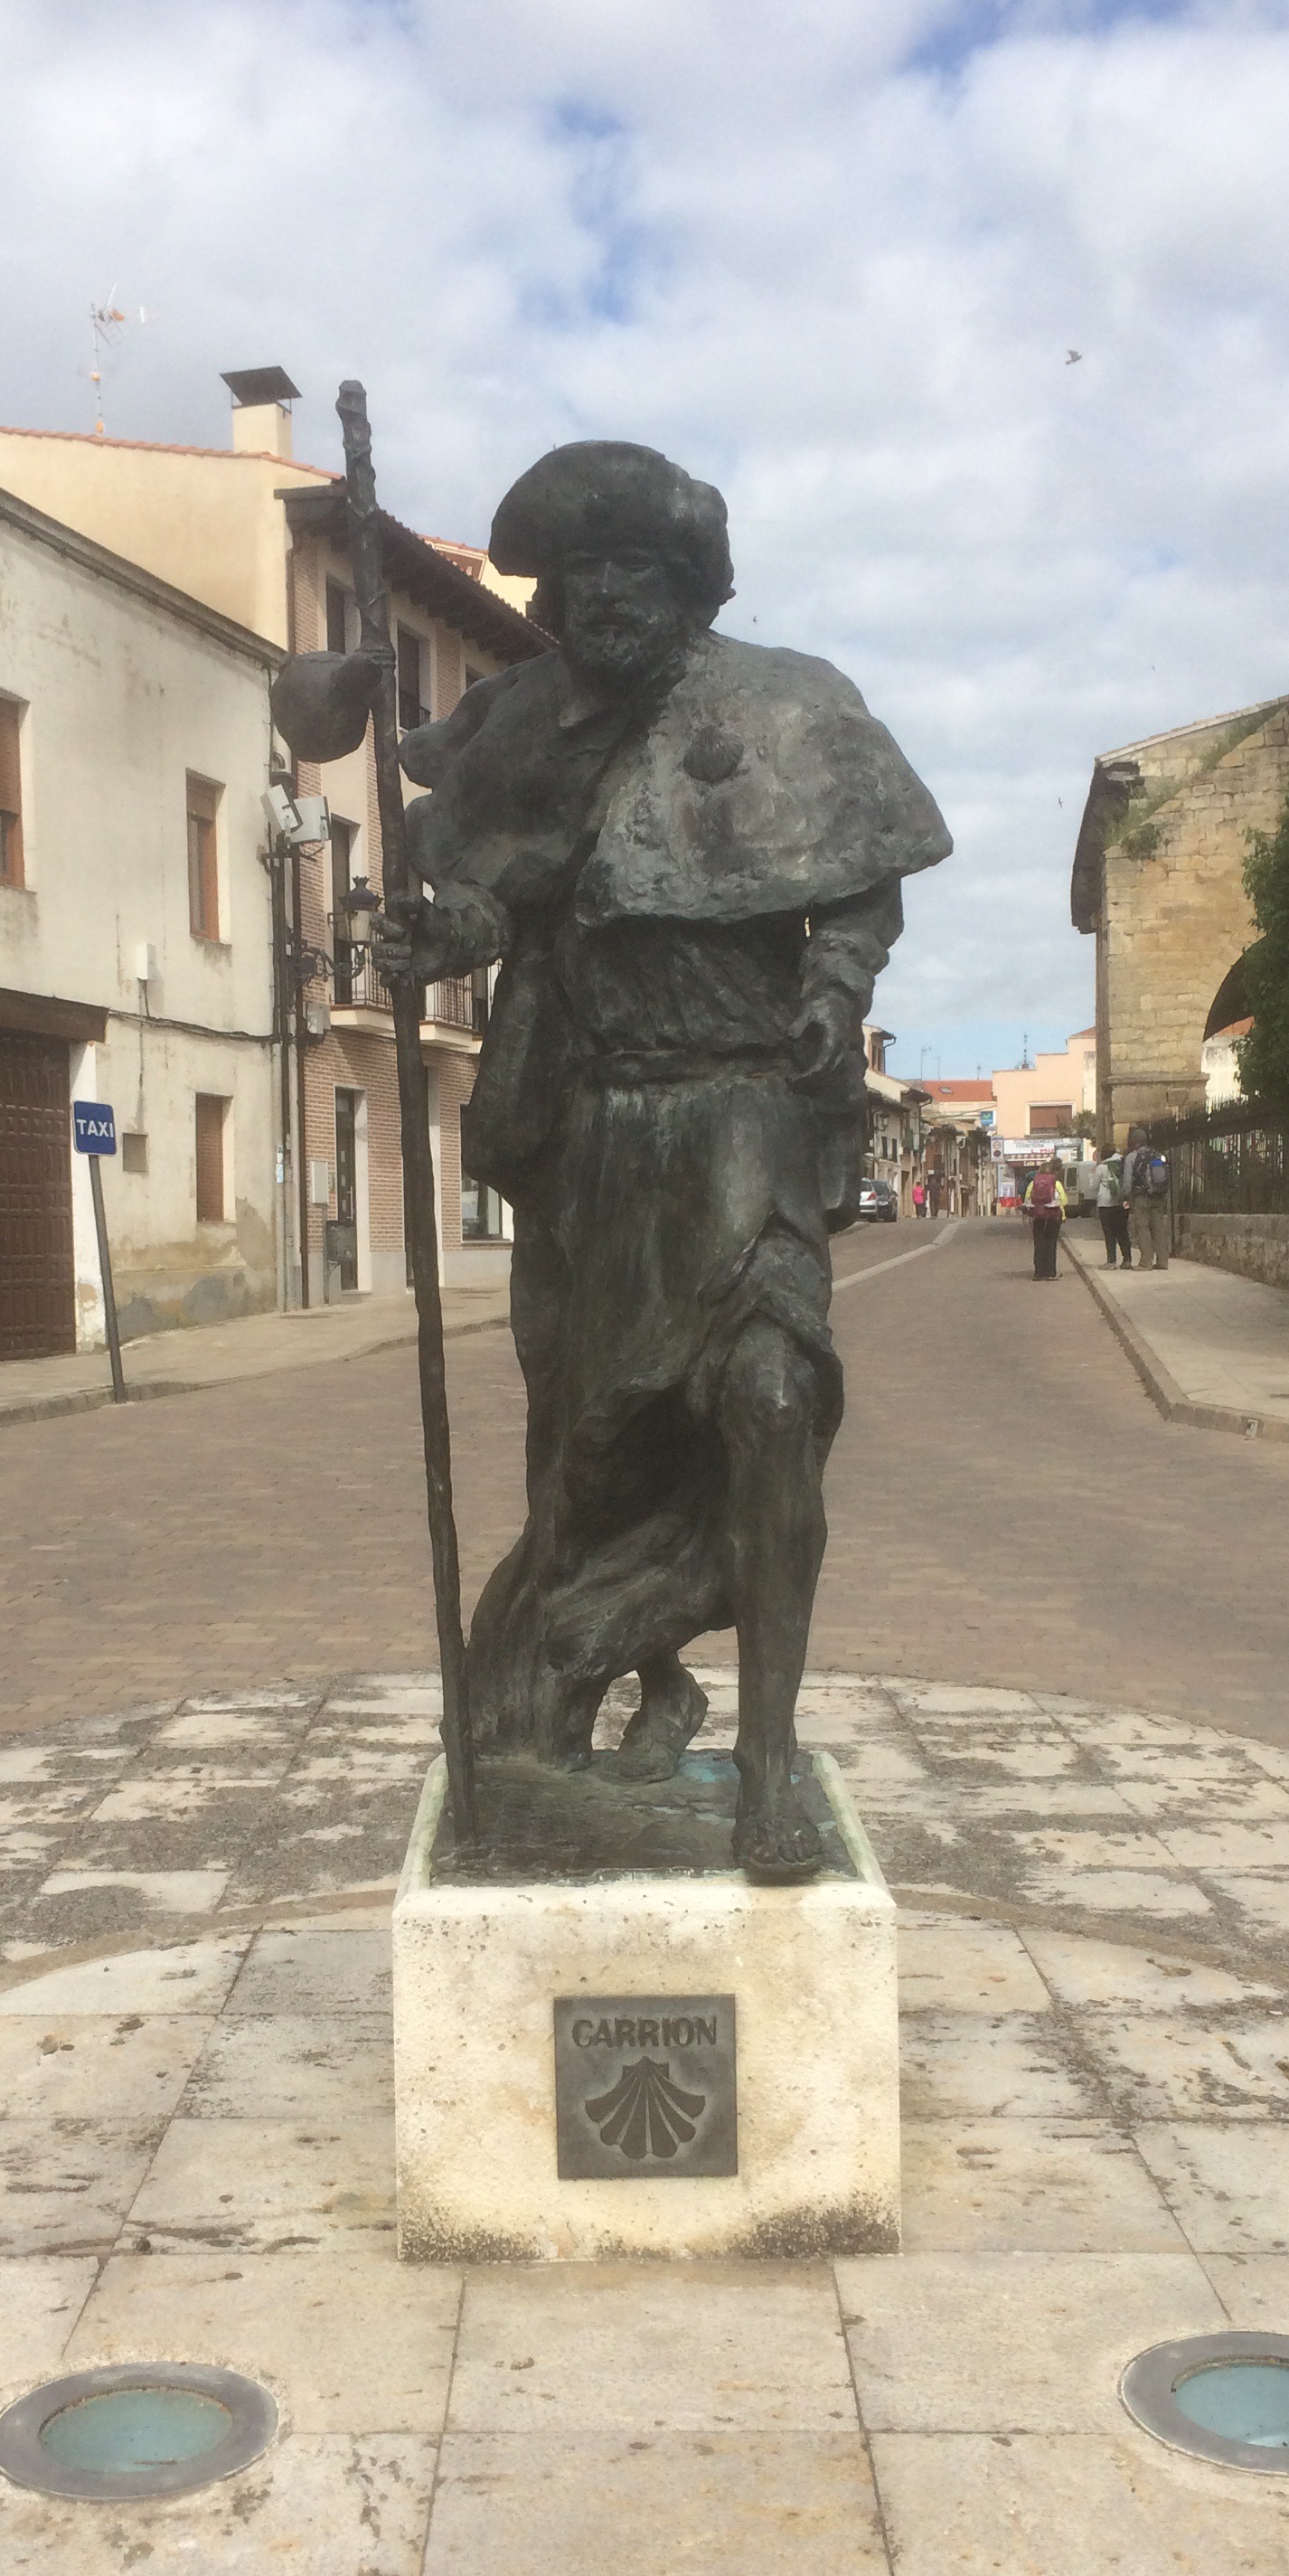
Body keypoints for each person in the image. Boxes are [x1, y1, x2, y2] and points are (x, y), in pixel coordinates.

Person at [379, 439, 951, 1877]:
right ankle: (591, 1694)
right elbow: (495, 901)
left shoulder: (788, 704)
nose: (606, 598)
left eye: (632, 570)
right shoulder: (527, 730)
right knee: (592, 1466)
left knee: (769, 1404)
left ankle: (766, 1763)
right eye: (581, 577)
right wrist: (440, 936)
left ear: (688, 583)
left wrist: (834, 986)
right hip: (596, 1144)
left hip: (746, 1118)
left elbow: (860, 887)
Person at [1121, 1127, 1169, 1269]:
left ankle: (1146, 1262)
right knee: (1158, 1228)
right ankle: (1162, 1261)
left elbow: (1127, 1181)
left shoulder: (1132, 1157)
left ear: (1134, 1141)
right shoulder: (1157, 1155)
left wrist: (1126, 1197)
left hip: (1141, 1197)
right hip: (1158, 1196)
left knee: (1143, 1228)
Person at [1025, 1158, 1065, 1279]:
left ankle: (1039, 1272)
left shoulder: (1033, 1183)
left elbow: (1027, 1198)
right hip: (1053, 1217)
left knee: (1039, 1243)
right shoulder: (1056, 1184)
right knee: (1051, 1244)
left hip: (1038, 1217)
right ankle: (1051, 1272)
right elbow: (1064, 1200)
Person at [1093, 1147, 1128, 1266]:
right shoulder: (1123, 1164)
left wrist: (1092, 1174)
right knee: (1122, 1232)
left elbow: (1093, 1186)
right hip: (1121, 1202)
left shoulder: (1101, 1167)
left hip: (1105, 1204)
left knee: (1109, 1233)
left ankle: (1111, 1261)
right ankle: (1127, 1259)